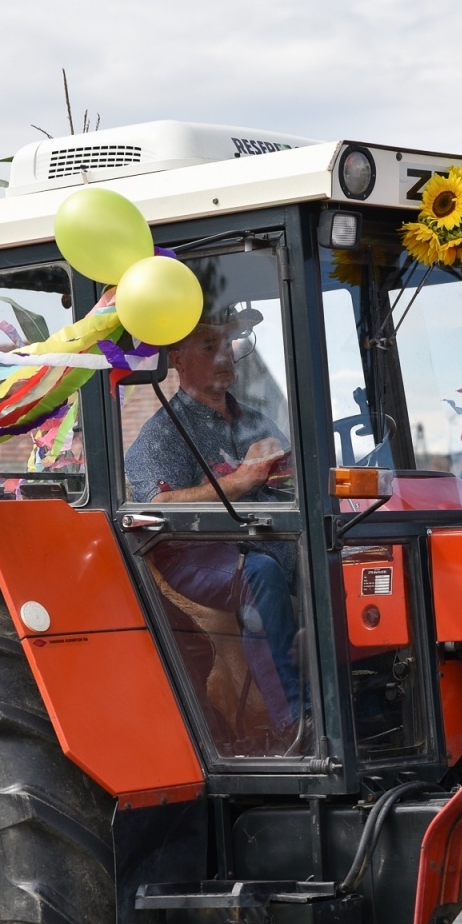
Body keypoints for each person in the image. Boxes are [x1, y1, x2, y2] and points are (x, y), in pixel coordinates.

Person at [125, 311, 302, 731]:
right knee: (259, 573)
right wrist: (241, 480)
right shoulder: (161, 434)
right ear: (178, 359)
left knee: (345, 561)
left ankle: (364, 697)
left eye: (228, 344)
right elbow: (159, 504)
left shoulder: (256, 420)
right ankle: (296, 720)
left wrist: (287, 466)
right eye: (209, 345)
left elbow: (290, 484)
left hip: (273, 538)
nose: (225, 355)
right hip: (196, 553)